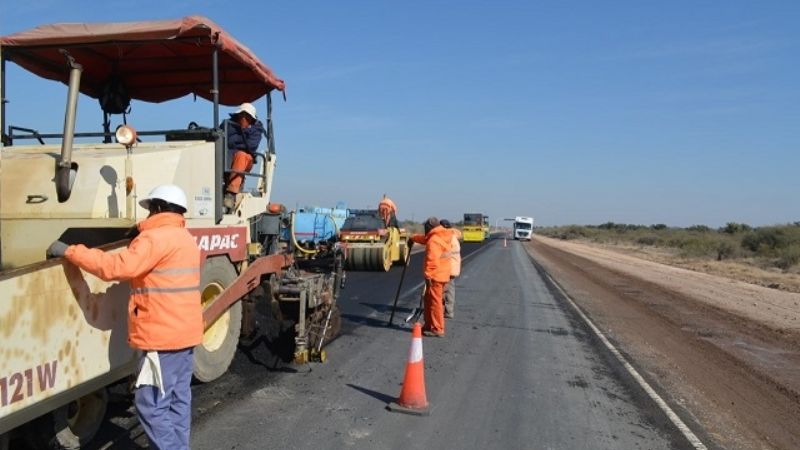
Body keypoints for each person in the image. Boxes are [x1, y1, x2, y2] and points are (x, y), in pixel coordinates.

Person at [47, 184, 202, 450]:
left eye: (151, 209)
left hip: (161, 339)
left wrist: (69, 251)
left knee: (150, 405)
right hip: (185, 335)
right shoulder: (185, 237)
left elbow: (114, 267)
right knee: (178, 400)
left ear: (158, 207)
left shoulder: (154, 239)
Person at [410, 217, 452, 337]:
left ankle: (438, 328)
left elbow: (432, 261)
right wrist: (413, 238)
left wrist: (428, 276)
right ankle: (429, 325)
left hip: (435, 276)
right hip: (442, 273)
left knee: (435, 302)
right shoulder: (442, 235)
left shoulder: (434, 240)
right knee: (428, 300)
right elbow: (425, 239)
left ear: (429, 227)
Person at [224, 102, 264, 209]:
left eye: (246, 116)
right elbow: (222, 138)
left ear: (251, 118)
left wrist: (242, 132)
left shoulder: (257, 129)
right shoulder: (227, 124)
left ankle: (231, 194)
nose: (243, 118)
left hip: (245, 159)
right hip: (226, 156)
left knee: (242, 155)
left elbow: (251, 146)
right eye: (242, 115)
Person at [440, 219, 462, 319]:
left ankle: (448, 311)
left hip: (449, 267)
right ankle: (446, 310)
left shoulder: (448, 237)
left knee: (447, 290)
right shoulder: (453, 235)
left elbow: (443, 253)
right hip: (453, 266)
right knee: (449, 289)